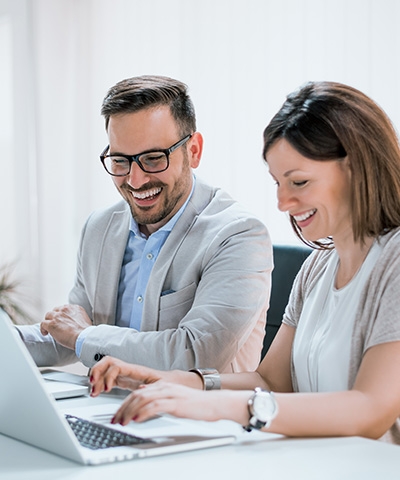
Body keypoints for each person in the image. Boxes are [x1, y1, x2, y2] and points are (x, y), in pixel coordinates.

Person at [89, 81, 400, 443]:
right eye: (277, 183)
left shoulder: (392, 263)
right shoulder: (318, 267)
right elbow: (270, 381)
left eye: (299, 182)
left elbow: (371, 411)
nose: (283, 203)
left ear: (357, 170)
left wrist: (221, 407)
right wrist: (170, 380)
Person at [16, 75, 272, 373]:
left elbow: (195, 356)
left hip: (196, 415)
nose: (135, 181)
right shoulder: (99, 228)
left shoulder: (238, 235)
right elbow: (68, 334)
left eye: (153, 159)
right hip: (107, 410)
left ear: (194, 151)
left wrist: (84, 336)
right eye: (120, 161)